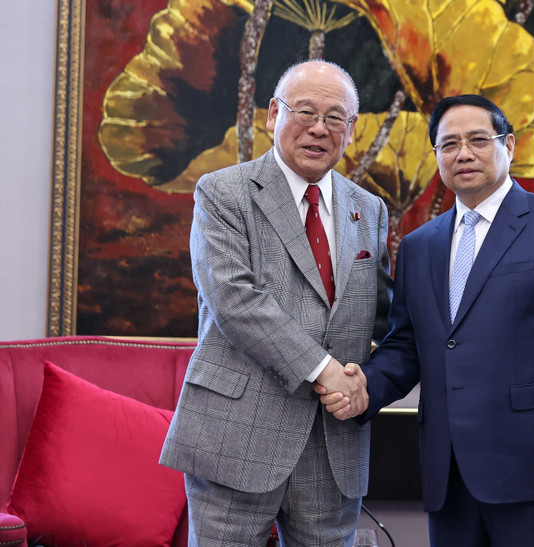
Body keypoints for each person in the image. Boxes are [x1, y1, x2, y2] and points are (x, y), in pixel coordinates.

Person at [318, 94, 534, 546]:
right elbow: (406, 346)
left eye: (478, 139)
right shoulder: (420, 245)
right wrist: (363, 390)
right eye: (449, 144)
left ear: (509, 145)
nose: (464, 153)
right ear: (437, 155)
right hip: (449, 470)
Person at [160, 59, 392, 546]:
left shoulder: (369, 209)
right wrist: (326, 370)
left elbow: (384, 317)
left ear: (351, 130)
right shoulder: (223, 193)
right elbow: (235, 300)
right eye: (304, 111)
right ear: (272, 114)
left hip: (333, 443)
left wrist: (367, 381)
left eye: (335, 117)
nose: (318, 128)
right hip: (237, 433)